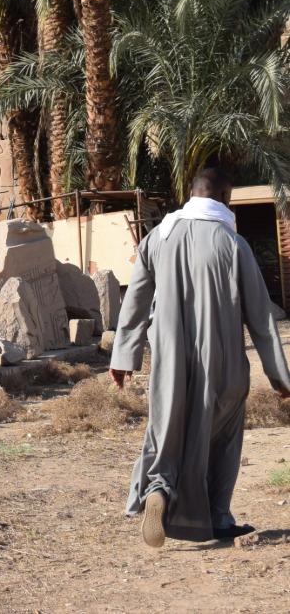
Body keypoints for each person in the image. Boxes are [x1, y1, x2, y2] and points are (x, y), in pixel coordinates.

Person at [110, 167, 290, 547]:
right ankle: (217, 517)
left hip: (168, 361)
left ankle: (159, 488)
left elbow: (135, 302)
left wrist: (122, 357)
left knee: (169, 426)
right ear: (224, 198)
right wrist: (279, 375)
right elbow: (260, 316)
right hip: (222, 362)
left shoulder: (158, 237)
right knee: (221, 437)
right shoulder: (233, 243)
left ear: (192, 194)